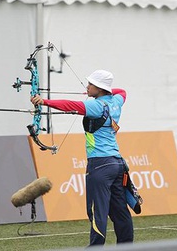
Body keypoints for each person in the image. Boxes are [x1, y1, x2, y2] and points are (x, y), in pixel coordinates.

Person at [31, 70, 133, 246]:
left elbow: (69, 105)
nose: (87, 86)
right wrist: (103, 91)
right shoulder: (116, 101)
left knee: (98, 211)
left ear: (100, 88)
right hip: (117, 163)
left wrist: (44, 101)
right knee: (119, 210)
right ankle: (126, 246)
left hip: (100, 165)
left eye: (91, 84)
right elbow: (121, 91)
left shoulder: (96, 106)